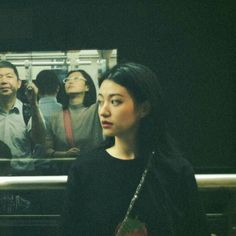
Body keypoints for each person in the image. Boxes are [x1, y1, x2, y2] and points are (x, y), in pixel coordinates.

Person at [63, 62, 210, 235]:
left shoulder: (175, 170)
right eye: (101, 101)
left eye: (115, 101)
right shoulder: (85, 169)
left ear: (144, 108)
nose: (103, 111)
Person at [45, 69, 103, 158]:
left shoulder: (95, 111)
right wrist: (65, 155)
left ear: (87, 87)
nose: (70, 81)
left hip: (92, 167)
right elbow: (47, 150)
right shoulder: (55, 117)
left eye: (76, 78)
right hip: (65, 170)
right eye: (67, 80)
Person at [0, 60, 45, 174]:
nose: (3, 81)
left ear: (19, 83)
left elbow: (39, 139)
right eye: (0, 77)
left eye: (9, 76)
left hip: (23, 176)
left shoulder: (28, 111)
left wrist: (34, 103)